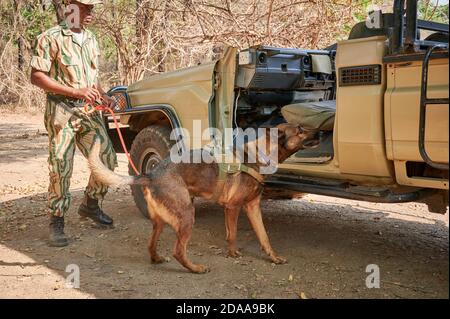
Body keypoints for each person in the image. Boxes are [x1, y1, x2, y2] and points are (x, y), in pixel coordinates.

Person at [30, 0, 117, 247]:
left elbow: (93, 76)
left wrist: (103, 95)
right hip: (62, 111)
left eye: (92, 8)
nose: (91, 12)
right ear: (70, 6)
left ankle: (91, 204)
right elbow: (37, 77)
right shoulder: (51, 37)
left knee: (107, 160)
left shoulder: (91, 39)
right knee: (61, 166)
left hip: (90, 112)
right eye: (85, 7)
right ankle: (56, 220)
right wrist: (76, 91)